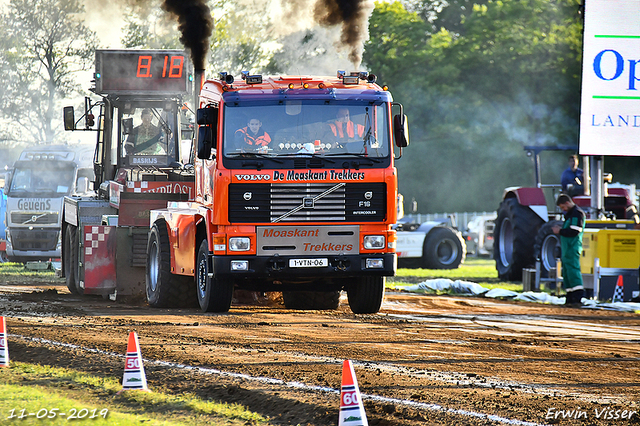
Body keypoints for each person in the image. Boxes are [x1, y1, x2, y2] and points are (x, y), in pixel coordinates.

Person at [552, 194, 586, 306]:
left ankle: (577, 296)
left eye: (563, 207)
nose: (563, 210)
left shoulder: (577, 213)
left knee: (573, 271)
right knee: (567, 272)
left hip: (572, 247)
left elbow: (574, 231)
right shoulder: (570, 214)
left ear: (567, 203)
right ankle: (570, 296)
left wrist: (560, 231)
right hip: (567, 249)